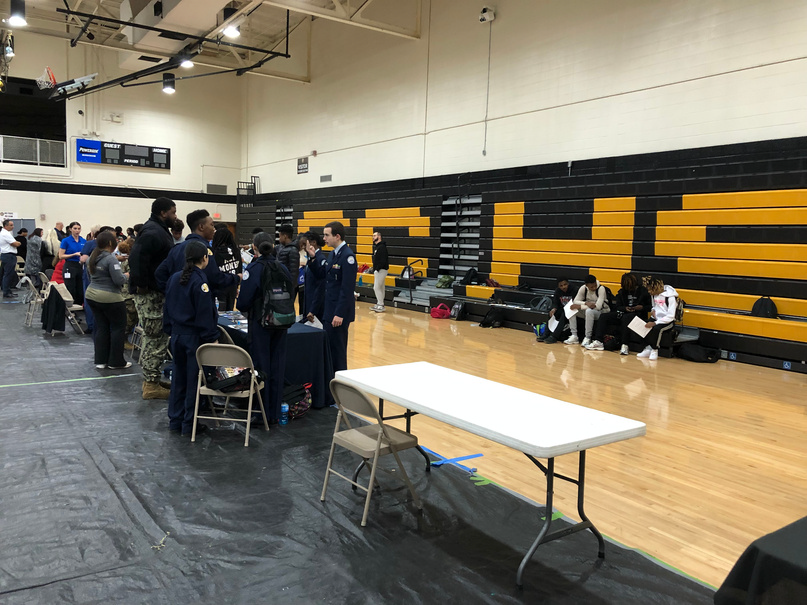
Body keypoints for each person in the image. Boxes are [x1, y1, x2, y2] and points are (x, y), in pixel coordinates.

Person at [163, 241, 219, 436]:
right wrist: (212, 338)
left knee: (178, 379)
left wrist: (169, 329)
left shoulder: (173, 279)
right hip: (193, 339)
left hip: (177, 335)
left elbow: (167, 308)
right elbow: (205, 314)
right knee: (193, 382)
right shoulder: (200, 283)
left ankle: (175, 420)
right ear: (204, 258)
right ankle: (189, 423)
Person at [236, 232, 292, 424]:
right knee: (278, 366)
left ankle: (261, 413)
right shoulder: (282, 267)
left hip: (261, 323)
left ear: (254, 248)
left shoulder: (254, 268)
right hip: (281, 321)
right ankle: (274, 412)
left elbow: (243, 302)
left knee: (261, 368)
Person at [128, 197, 178, 400]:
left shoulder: (158, 229)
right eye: (173, 212)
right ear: (163, 212)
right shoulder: (152, 232)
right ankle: (150, 385)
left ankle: (153, 379)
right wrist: (142, 286)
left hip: (154, 291)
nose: (175, 216)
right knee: (155, 338)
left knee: (156, 337)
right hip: (150, 294)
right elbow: (136, 259)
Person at [305, 221, 357, 373]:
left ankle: (340, 386)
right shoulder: (334, 254)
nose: (324, 238)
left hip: (338, 315)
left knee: (338, 353)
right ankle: (330, 384)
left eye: (327, 235)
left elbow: (347, 290)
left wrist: (339, 313)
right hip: (329, 311)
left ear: (337, 236)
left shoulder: (348, 257)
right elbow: (323, 276)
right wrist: (313, 258)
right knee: (329, 351)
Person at [155, 209, 239, 296]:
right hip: (199, 301)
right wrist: (236, 278)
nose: (214, 229)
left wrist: (171, 292)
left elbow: (160, 273)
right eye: (211, 225)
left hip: (179, 304)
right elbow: (214, 277)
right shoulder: (204, 249)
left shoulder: (176, 248)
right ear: (201, 227)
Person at [85, 232, 131, 370]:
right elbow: (119, 280)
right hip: (110, 298)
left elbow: (90, 276)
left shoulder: (92, 258)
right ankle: (116, 362)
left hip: (92, 295)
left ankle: (100, 360)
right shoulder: (111, 259)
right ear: (111, 244)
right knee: (118, 328)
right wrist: (127, 275)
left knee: (102, 327)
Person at [586, 272, 651, 353]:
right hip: (624, 313)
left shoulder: (643, 291)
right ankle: (598, 341)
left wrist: (642, 307)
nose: (629, 289)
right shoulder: (622, 292)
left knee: (626, 318)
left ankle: (625, 345)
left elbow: (650, 307)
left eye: (631, 287)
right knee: (604, 316)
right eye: (627, 287)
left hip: (638, 315)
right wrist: (625, 308)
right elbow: (617, 306)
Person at [637, 277, 679, 361]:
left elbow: (671, 316)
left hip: (667, 321)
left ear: (655, 288)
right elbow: (654, 306)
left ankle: (654, 350)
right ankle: (647, 348)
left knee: (657, 329)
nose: (648, 292)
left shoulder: (670, 297)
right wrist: (653, 311)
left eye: (650, 290)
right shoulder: (654, 295)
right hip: (656, 318)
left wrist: (656, 323)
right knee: (642, 325)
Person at [564, 274, 610, 347]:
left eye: (595, 285)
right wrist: (586, 303)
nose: (594, 288)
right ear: (586, 285)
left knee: (589, 311)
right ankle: (574, 335)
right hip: (589, 309)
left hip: (602, 312)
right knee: (571, 309)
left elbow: (598, 307)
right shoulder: (583, 288)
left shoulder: (601, 289)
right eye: (591, 287)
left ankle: (587, 337)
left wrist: (580, 306)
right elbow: (575, 301)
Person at [211, 225, 240, 312]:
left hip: (220, 288)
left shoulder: (215, 253)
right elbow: (239, 269)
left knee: (220, 313)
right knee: (230, 311)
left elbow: (213, 272)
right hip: (232, 286)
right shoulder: (236, 251)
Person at [541, 277, 574, 344]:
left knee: (564, 314)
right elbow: (555, 303)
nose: (563, 287)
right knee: (551, 313)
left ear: (568, 284)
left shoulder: (575, 289)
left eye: (565, 284)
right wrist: (554, 309)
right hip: (562, 309)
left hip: (572, 310)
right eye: (561, 286)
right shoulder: (557, 291)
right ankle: (546, 334)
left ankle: (554, 336)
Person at [59, 222, 86, 305]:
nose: (77, 231)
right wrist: (74, 254)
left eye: (79, 228)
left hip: (80, 265)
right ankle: (70, 307)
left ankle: (79, 306)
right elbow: (61, 256)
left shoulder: (83, 240)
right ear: (70, 229)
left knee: (80, 287)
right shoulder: (66, 241)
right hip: (70, 265)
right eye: (75, 228)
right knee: (70, 287)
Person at [116, 237, 138, 337]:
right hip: (129, 293)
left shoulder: (124, 259)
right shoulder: (130, 261)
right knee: (130, 317)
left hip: (124, 292)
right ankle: (124, 340)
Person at [303, 231, 326, 322]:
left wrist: (313, 309)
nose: (303, 247)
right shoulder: (310, 258)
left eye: (305, 244)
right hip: (309, 301)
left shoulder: (321, 259)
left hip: (316, 305)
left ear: (313, 243)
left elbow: (320, 286)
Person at [1, 219, 21, 298]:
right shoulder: (5, 234)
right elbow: (15, 243)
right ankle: (6, 292)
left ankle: (7, 290)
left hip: (7, 255)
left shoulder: (5, 233)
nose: (13, 227)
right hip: (8, 255)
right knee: (8, 274)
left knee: (8, 274)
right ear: (6, 226)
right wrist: (18, 243)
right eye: (11, 225)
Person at [371, 231, 389, 313]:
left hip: (381, 270)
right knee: (381, 287)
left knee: (376, 287)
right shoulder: (377, 247)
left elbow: (382, 260)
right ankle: (379, 303)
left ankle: (381, 305)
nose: (373, 237)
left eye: (374, 236)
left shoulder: (382, 247)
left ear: (379, 237)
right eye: (373, 236)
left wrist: (377, 269)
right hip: (379, 270)